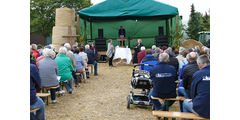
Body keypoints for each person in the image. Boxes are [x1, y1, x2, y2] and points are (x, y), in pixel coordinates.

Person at [183, 55, 210, 119]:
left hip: (203, 109)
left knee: (185, 102)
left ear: (200, 65)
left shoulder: (198, 74)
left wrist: (193, 99)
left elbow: (193, 92)